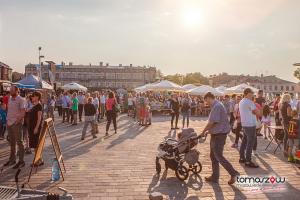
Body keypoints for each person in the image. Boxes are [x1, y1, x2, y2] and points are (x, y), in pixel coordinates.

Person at [200, 92, 239, 185]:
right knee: (213, 156)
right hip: (217, 133)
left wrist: (203, 131)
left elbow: (212, 122)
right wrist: (209, 131)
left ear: (209, 98)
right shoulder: (217, 105)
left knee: (218, 156)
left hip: (219, 135)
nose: (206, 103)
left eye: (206, 101)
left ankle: (234, 173)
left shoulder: (217, 106)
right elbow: (217, 123)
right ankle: (215, 176)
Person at [4, 86, 26, 169]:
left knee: (19, 142)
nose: (10, 91)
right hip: (9, 123)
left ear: (17, 91)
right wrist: (7, 120)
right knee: (12, 142)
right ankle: (12, 159)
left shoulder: (21, 99)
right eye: (10, 90)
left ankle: (21, 161)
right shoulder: (10, 98)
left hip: (16, 123)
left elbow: (23, 111)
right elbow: (8, 110)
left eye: (12, 90)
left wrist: (17, 121)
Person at [239, 88, 260, 168]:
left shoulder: (242, 101)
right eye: (252, 93)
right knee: (250, 143)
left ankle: (242, 157)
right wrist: (260, 108)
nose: (253, 94)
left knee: (244, 141)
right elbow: (257, 112)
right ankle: (248, 161)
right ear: (248, 93)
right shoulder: (249, 102)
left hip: (244, 123)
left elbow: (252, 111)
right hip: (250, 124)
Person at [28, 91, 43, 166]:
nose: (32, 97)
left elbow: (39, 118)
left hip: (35, 127)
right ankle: (40, 160)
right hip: (32, 127)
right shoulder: (35, 105)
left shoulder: (39, 106)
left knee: (35, 145)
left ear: (37, 97)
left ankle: (37, 161)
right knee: (35, 145)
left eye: (33, 96)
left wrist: (36, 128)